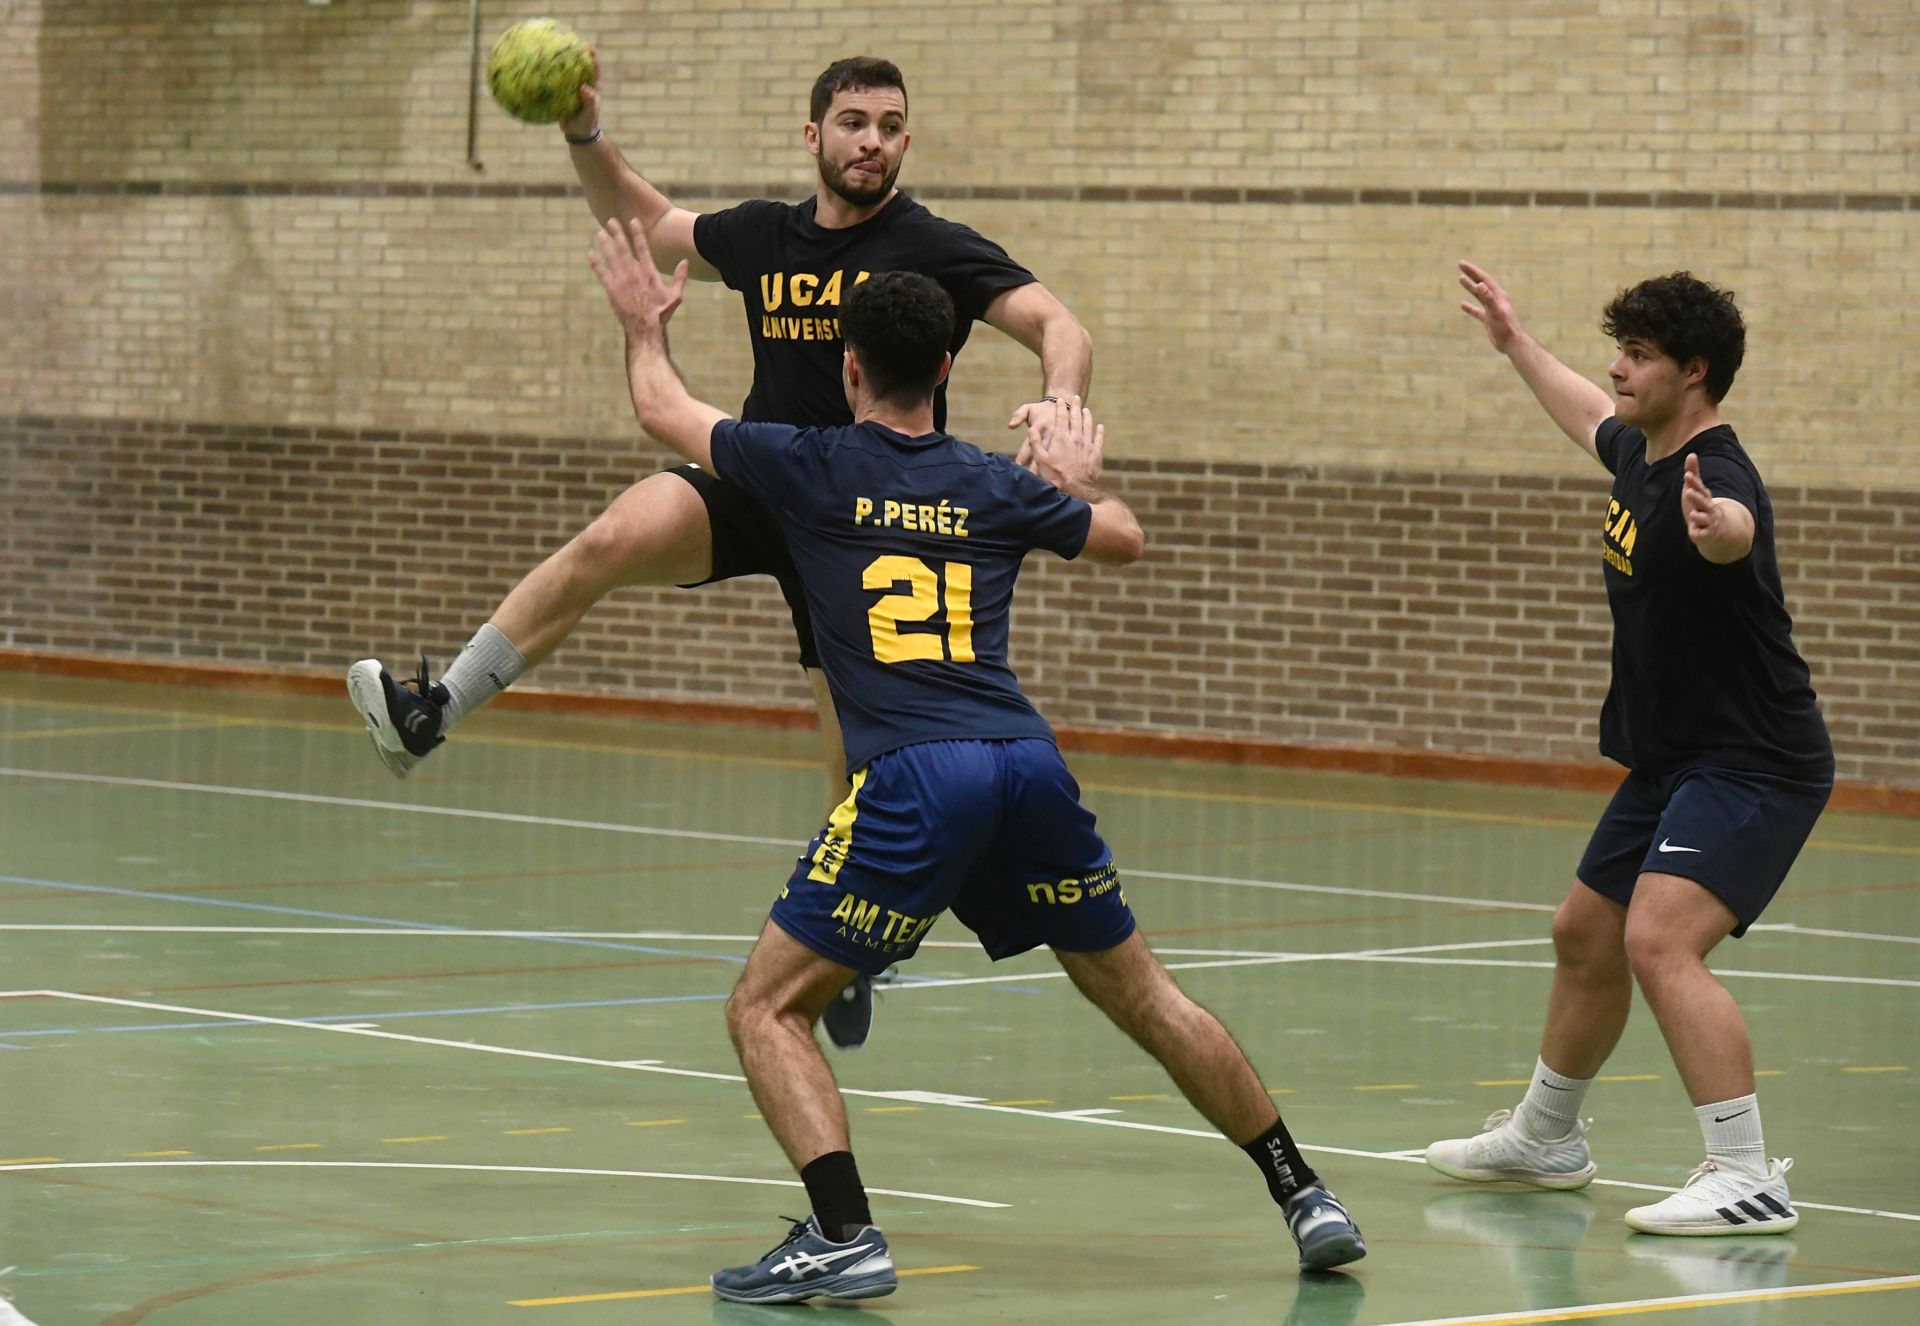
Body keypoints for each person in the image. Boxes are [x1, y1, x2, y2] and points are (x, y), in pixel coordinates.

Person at [586, 216, 1368, 1301]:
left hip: (915, 776)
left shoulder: (807, 464)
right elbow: (1126, 539)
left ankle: (843, 1231)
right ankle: (1305, 1192)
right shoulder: (990, 480)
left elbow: (660, 410)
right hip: (1026, 765)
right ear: (948, 369)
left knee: (766, 1009)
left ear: (849, 366)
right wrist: (1079, 474)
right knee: (1144, 996)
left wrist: (641, 325)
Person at [346, 56, 1091, 1050]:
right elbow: (650, 223)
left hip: (866, 529)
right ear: (813, 136)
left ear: (906, 144)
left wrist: (1062, 397)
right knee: (614, 534)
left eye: (892, 125)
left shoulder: (930, 248)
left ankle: (852, 943)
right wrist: (582, 133)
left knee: (853, 755)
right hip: (765, 482)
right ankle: (431, 715)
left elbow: (1057, 322)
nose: (872, 140)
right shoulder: (767, 237)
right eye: (854, 121)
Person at [1425, 263, 1834, 1236]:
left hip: (1753, 761)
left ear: (1694, 372)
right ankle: (1547, 1137)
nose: (1616, 368)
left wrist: (1721, 532)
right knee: (1585, 933)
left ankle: (1746, 1174)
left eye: (1639, 356)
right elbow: (1584, 413)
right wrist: (1517, 344)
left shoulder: (1715, 477)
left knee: (1659, 939)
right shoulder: (1643, 453)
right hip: (1673, 758)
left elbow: (1735, 531)